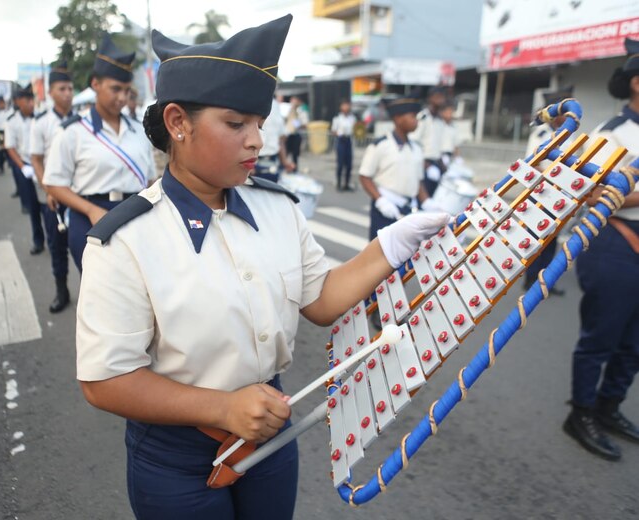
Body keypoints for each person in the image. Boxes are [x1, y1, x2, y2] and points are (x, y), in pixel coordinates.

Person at [74, 15, 448, 519]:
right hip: (176, 455)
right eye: (236, 124)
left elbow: (321, 299)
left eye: (260, 125)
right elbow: (105, 380)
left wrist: (388, 246)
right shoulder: (125, 239)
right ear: (178, 122)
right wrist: (223, 408)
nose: (257, 142)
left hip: (272, 436)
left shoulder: (278, 209)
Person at [562, 37, 639, 461]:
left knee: (634, 344)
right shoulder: (613, 134)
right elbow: (589, 194)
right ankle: (581, 414)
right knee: (601, 338)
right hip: (615, 241)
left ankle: (609, 407)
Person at [44, 34, 154, 273]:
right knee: (99, 299)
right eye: (115, 89)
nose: (122, 98)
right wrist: (92, 210)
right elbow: (54, 184)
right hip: (91, 217)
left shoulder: (137, 130)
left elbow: (150, 180)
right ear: (95, 84)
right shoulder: (72, 132)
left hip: (135, 216)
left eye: (126, 90)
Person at [359, 96, 438, 240]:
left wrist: (427, 202)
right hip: (386, 208)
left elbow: (418, 182)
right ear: (398, 118)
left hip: (409, 210)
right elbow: (365, 176)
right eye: (412, 117)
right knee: (380, 258)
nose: (416, 121)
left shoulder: (416, 148)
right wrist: (380, 200)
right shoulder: (381, 145)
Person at [30, 62, 75, 313]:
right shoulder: (42, 122)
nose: (67, 93)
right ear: (51, 93)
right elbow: (36, 159)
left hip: (79, 193)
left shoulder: (84, 120)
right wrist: (48, 190)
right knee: (57, 246)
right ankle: (62, 290)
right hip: (54, 196)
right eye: (61, 89)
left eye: (70, 88)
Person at [522, 86, 574, 296]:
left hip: (563, 194)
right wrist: (555, 175)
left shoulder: (571, 136)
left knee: (552, 239)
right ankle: (530, 280)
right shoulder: (540, 134)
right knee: (537, 238)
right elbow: (532, 163)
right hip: (543, 193)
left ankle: (545, 281)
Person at [4, 83, 43, 252]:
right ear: (18, 101)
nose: (30, 103)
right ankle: (38, 240)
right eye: (26, 100)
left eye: (31, 100)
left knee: (49, 206)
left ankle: (56, 238)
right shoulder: (12, 122)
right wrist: (23, 167)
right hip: (26, 166)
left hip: (43, 165)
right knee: (33, 206)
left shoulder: (40, 118)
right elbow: (10, 147)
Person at [411, 86, 447, 196]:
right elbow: (414, 143)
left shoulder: (440, 120)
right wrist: (427, 166)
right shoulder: (423, 117)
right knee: (423, 200)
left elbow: (437, 146)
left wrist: (443, 166)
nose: (440, 100)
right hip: (423, 165)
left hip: (436, 164)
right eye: (437, 97)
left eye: (442, 97)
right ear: (430, 99)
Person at [253, 95, 294, 183]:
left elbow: (280, 138)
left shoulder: (275, 105)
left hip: (272, 160)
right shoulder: (249, 100)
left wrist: (285, 161)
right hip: (252, 159)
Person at [331, 100, 356, 191]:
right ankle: (338, 183)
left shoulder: (352, 118)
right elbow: (333, 131)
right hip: (341, 140)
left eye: (347, 106)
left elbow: (356, 129)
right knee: (340, 164)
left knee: (349, 164)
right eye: (344, 106)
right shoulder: (337, 118)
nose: (346, 108)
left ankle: (347, 184)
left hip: (349, 140)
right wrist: (339, 133)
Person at [284, 95, 307, 166]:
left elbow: (305, 124)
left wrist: (297, 123)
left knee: (295, 155)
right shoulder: (286, 109)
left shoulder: (301, 112)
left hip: (296, 135)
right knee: (285, 154)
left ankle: (294, 170)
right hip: (287, 135)